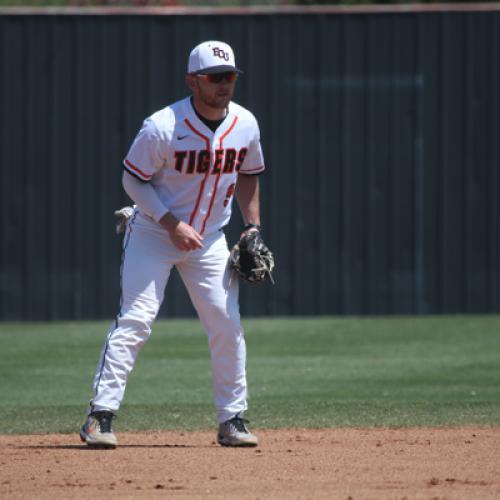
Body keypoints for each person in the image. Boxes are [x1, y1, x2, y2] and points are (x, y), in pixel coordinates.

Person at [79, 40, 267, 449]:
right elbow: (132, 179)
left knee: (226, 323)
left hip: (211, 239)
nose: (224, 84)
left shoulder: (246, 123)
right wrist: (169, 223)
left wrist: (252, 226)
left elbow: (250, 173)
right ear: (193, 81)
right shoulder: (163, 126)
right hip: (152, 232)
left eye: (230, 76)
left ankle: (232, 419)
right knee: (136, 321)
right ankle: (99, 416)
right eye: (215, 77)